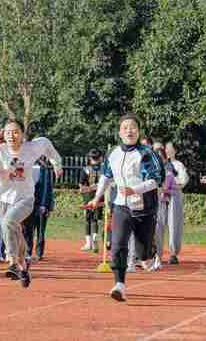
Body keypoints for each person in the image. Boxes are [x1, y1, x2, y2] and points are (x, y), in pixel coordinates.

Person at [84, 113, 163, 302]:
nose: (129, 130)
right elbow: (105, 176)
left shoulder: (146, 153)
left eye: (133, 127)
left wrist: (134, 190)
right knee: (118, 244)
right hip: (121, 206)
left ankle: (149, 256)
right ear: (120, 132)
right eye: (125, 127)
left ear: (139, 131)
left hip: (145, 208)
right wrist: (96, 198)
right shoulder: (113, 153)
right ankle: (119, 284)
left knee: (143, 254)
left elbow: (156, 179)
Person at [0, 120, 63, 289]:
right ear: (3, 135)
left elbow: (46, 144)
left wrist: (57, 164)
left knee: (9, 223)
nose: (11, 135)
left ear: (22, 134)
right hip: (2, 199)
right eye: (8, 132)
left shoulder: (31, 148)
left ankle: (13, 261)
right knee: (14, 231)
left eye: (15, 132)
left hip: (25, 198)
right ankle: (24, 265)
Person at [23, 156, 55, 261]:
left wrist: (47, 205)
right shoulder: (28, 167)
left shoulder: (47, 170)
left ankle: (38, 253)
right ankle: (28, 251)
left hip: (42, 203)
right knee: (28, 228)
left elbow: (49, 188)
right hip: (30, 203)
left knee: (40, 230)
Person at [151, 147, 177, 271]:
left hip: (161, 205)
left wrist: (166, 191)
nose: (159, 160)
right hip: (147, 204)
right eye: (156, 157)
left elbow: (174, 190)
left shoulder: (169, 174)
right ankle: (145, 257)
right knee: (148, 232)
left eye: (161, 157)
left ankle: (158, 257)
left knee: (158, 231)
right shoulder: (148, 171)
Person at [164, 142, 188, 265]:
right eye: (166, 149)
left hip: (174, 195)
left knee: (174, 223)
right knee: (158, 223)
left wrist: (171, 184)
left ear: (175, 151)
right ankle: (155, 252)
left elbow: (183, 180)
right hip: (160, 195)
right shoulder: (160, 164)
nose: (167, 151)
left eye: (170, 149)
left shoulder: (178, 165)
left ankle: (173, 253)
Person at [80, 149, 104, 252]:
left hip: (87, 197)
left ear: (90, 158)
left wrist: (87, 188)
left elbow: (81, 185)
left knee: (87, 219)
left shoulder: (85, 169)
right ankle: (95, 238)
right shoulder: (104, 169)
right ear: (100, 158)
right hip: (100, 197)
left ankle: (88, 243)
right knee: (96, 219)